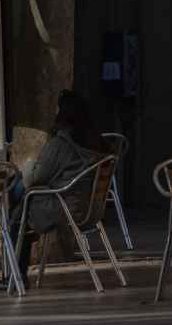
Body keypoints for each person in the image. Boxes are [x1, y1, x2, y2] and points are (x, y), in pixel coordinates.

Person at [9, 90, 103, 283]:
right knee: (18, 198)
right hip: (85, 206)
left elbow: (36, 178)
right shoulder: (93, 143)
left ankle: (13, 276)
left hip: (61, 207)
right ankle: (14, 273)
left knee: (16, 201)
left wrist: (27, 165)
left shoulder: (60, 144)